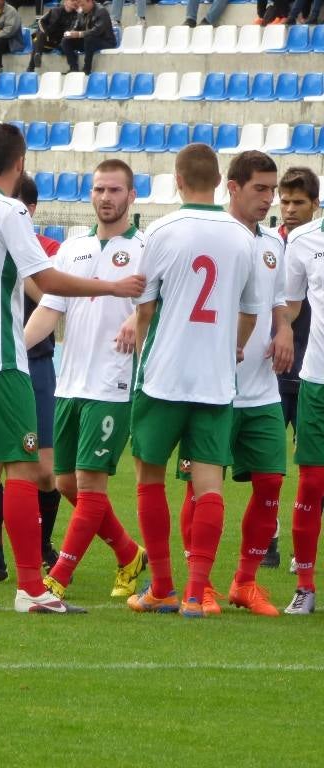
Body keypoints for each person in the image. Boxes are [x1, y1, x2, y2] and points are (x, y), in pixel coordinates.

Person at [0, 122, 145, 612]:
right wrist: (111, 288)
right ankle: (31, 589)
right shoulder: (9, 210)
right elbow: (42, 277)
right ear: (20, 163)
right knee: (24, 466)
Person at [127, 143, 261, 618]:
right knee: (208, 486)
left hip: (162, 376)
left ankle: (161, 584)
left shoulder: (161, 230)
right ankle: (195, 595)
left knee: (149, 479)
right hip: (215, 379)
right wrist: (234, 346)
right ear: (219, 179)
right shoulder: (244, 237)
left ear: (178, 180)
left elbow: (144, 309)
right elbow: (249, 313)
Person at [21, 159, 148, 606]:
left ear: (132, 197)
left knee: (91, 485)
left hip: (112, 386)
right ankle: (129, 554)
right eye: (99, 190)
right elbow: (48, 311)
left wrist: (137, 317)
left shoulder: (145, 249)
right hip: (69, 384)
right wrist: (15, 353)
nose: (106, 198)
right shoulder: (71, 250)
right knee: (66, 484)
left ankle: (57, 578)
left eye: (115, 190)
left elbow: (163, 305)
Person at [199, 151, 289, 616]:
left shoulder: (273, 243)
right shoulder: (212, 238)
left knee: (272, 481)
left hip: (261, 387)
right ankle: (202, 583)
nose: (269, 198)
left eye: (272, 190)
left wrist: (286, 327)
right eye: (260, 188)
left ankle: (244, 582)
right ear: (231, 188)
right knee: (202, 489)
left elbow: (278, 300)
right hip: (211, 388)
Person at [0, 173, 60, 584]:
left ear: (29, 210)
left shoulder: (51, 252)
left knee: (43, 471)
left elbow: (53, 294)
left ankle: (40, 547)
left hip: (35, 365)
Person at [268, 167, 320, 568]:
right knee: (268, 463)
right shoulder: (270, 243)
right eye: (283, 202)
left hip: (309, 368)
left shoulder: (308, 244)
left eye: (297, 202)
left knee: (312, 467)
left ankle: (303, 550)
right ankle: (268, 540)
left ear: (314, 204)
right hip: (277, 367)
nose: (288, 209)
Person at [281, 172, 324, 615]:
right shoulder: (304, 241)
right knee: (311, 483)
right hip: (317, 381)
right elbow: (290, 308)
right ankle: (306, 585)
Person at [61, 0, 115, 75]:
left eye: (83, 5)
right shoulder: (81, 12)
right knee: (66, 41)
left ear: (90, 1)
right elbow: (77, 27)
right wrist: (71, 33)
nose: (81, 7)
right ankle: (73, 68)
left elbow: (97, 31)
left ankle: (87, 69)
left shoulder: (101, 11)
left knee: (89, 38)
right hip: (89, 42)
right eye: (80, 5)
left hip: (106, 42)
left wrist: (79, 34)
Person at [27, 0, 78, 73]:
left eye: (76, 1)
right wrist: (45, 33)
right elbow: (40, 21)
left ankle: (31, 67)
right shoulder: (55, 10)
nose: (74, 2)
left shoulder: (75, 15)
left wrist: (79, 10)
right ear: (65, 2)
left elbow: (72, 30)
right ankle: (37, 55)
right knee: (35, 35)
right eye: (72, 0)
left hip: (56, 42)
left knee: (37, 41)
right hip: (44, 39)